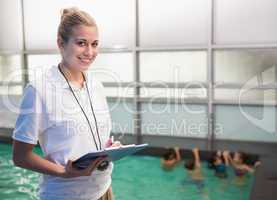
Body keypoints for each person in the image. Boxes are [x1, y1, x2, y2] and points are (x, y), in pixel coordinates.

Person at [12, 7, 117, 200]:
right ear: (61, 43)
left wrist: (109, 148)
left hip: (103, 190)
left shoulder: (96, 85)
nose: (90, 52)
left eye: (95, 44)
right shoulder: (39, 90)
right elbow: (20, 157)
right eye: (81, 43)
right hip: (66, 195)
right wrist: (63, 172)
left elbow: (88, 136)